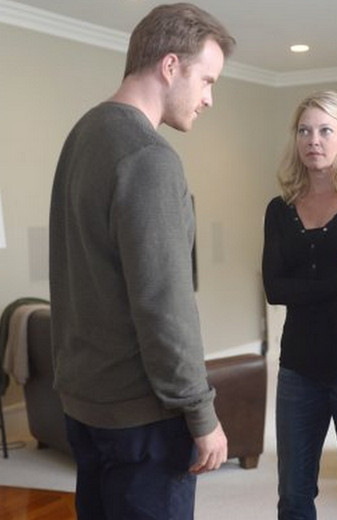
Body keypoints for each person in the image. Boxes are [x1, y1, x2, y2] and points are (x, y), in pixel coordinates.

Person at [48, 4, 235, 519]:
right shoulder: (149, 157)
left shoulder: (83, 135)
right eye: (207, 80)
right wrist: (201, 413)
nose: (209, 98)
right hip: (143, 419)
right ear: (170, 66)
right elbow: (164, 305)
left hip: (84, 405)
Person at [262, 91, 337, 520]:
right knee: (293, 496)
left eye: (325, 130)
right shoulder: (279, 210)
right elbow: (274, 289)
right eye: (305, 131)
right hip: (298, 367)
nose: (314, 140)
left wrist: (320, 285)